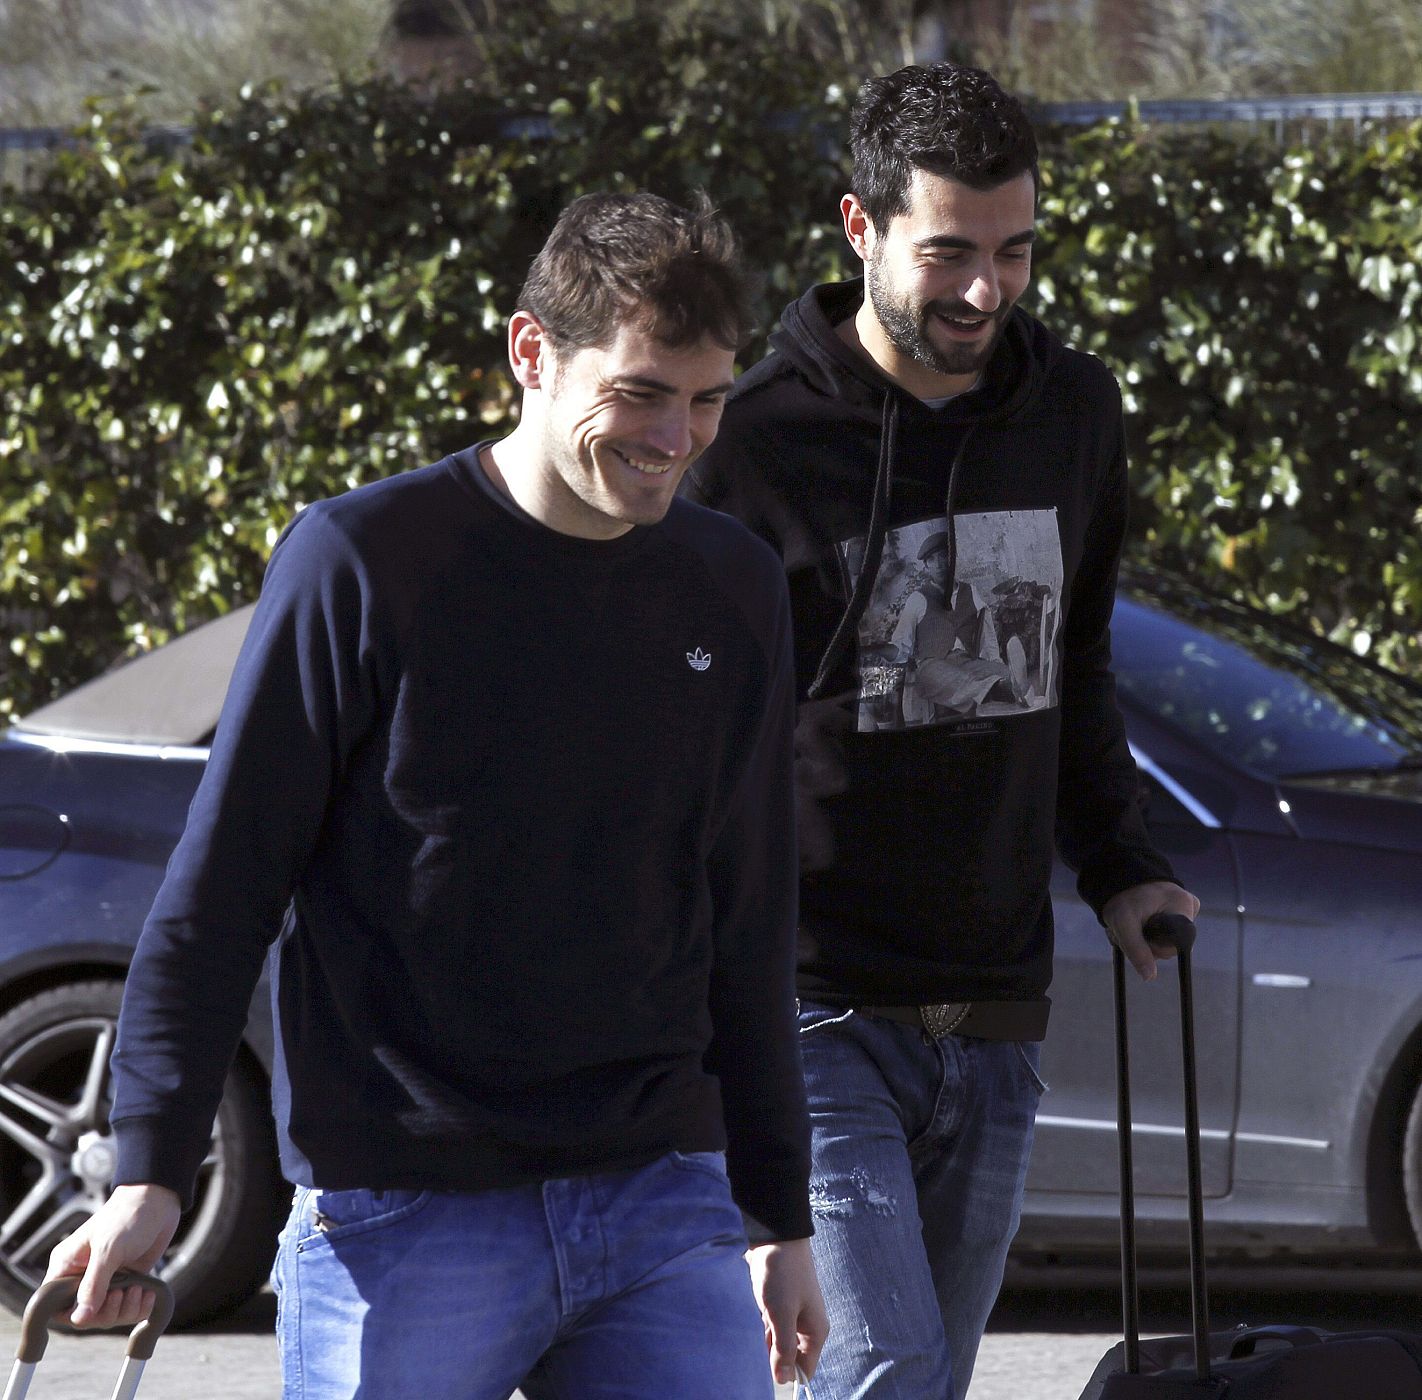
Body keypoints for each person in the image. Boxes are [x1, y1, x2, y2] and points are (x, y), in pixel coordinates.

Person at [44, 191, 827, 1398]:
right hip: (404, 1211)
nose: (679, 437)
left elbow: (750, 910)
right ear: (532, 353)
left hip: (661, 1198)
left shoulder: (731, 587)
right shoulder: (362, 561)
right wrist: (151, 1163)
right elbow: (224, 889)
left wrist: (780, 1213)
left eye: (709, 396)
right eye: (642, 393)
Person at [684, 64, 1199, 1399]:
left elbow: (1074, 658)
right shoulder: (750, 449)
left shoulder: (1072, 416)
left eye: (1015, 252)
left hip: (995, 1014)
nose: (985, 291)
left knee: (924, 1378)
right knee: (887, 1376)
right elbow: (683, 743)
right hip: (810, 1007)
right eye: (948, 254)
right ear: (858, 229)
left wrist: (1120, 861)